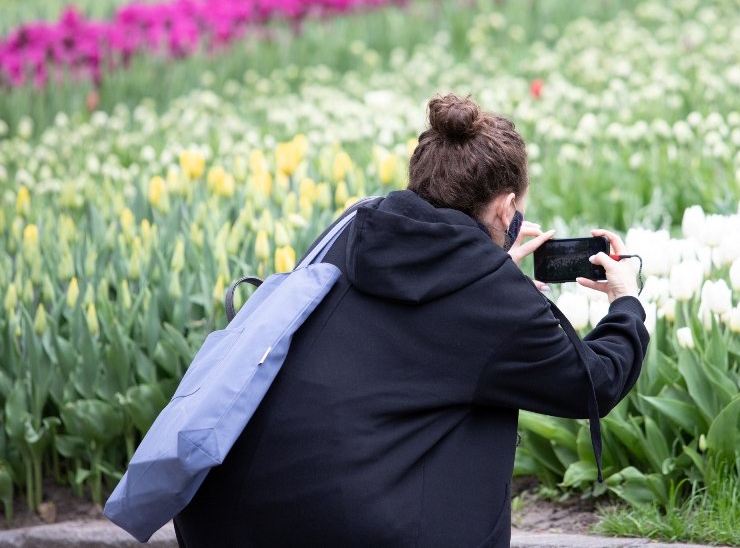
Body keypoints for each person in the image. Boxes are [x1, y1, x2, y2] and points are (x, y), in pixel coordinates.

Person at [173, 93, 648, 547]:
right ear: (506, 209)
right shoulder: (492, 296)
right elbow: (594, 382)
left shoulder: (356, 229)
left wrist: (501, 287)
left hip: (218, 516)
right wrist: (625, 301)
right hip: (347, 531)